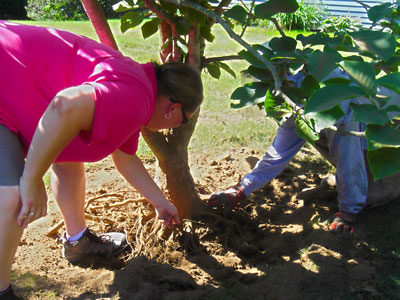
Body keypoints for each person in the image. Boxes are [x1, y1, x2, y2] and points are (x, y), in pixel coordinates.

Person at [0, 21, 203, 300]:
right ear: (174, 108)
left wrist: (161, 203)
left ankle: (78, 243)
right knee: (12, 198)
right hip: (4, 83)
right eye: (184, 121)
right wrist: (31, 179)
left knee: (68, 155)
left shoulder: (140, 88)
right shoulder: (134, 98)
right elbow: (65, 106)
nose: (176, 127)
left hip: (14, 79)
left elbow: (127, 160)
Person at [208, 68, 400, 235]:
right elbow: (278, 152)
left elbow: (348, 155)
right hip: (364, 135)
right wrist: (242, 189)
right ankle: (347, 182)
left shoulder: (332, 102)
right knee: (314, 132)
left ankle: (372, 184)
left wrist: (348, 214)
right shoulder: (295, 97)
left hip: (391, 137)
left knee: (369, 197)